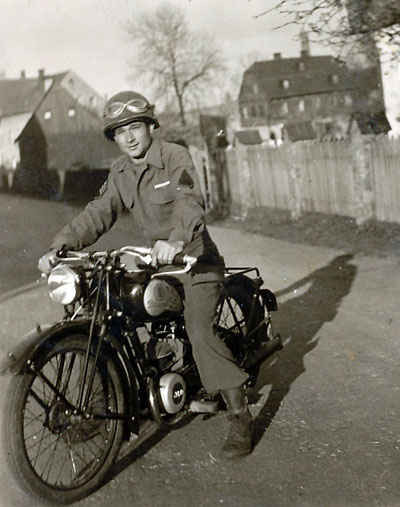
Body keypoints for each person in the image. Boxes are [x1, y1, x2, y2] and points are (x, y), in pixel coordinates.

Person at [38, 91, 252, 459]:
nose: (129, 138)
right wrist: (60, 246)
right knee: (112, 313)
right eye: (120, 133)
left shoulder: (174, 157)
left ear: (150, 126)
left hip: (195, 263)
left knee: (199, 332)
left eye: (135, 127)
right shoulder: (120, 173)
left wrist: (176, 240)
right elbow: (98, 213)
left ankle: (240, 415)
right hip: (159, 268)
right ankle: (105, 404)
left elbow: (189, 201)